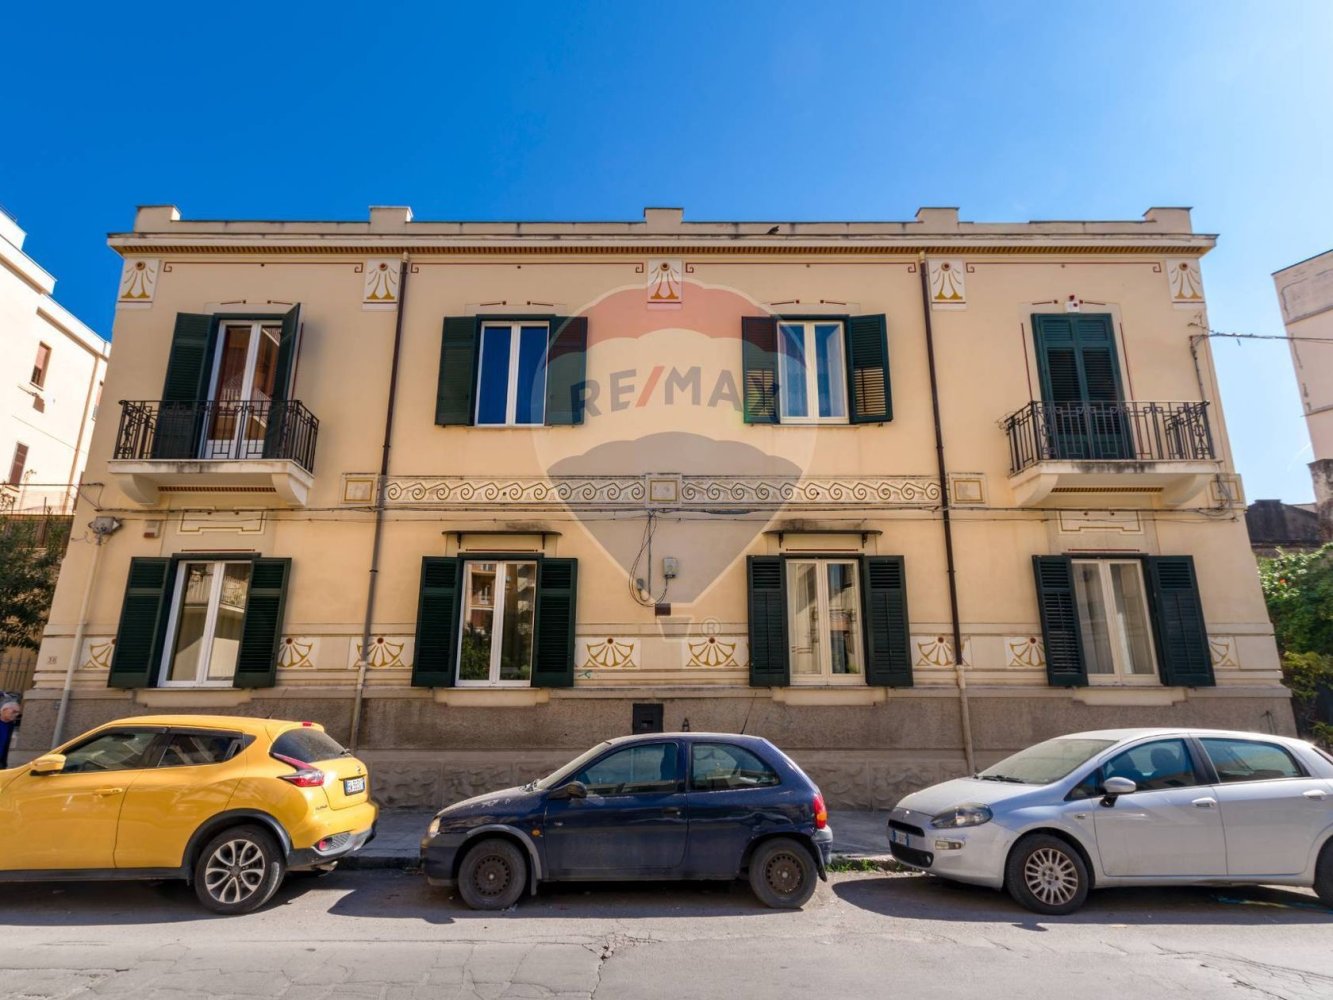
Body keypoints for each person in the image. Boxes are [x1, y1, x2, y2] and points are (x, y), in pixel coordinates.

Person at [0, 699, 20, 770]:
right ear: (4, 710)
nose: (16, 714)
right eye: (14, 711)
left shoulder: (10, 725)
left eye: (17, 712)